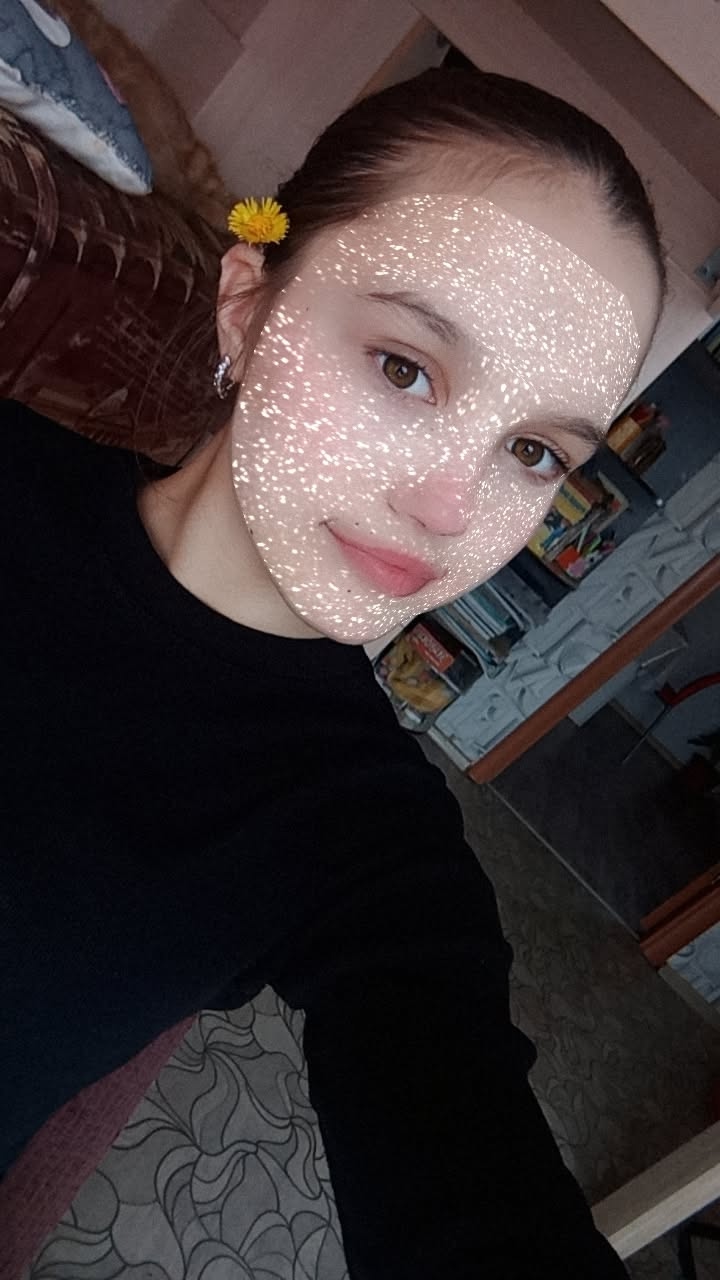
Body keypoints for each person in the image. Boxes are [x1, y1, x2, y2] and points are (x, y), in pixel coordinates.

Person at [1, 66, 665, 1275]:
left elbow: (464, 1163)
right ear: (246, 305)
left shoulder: (366, 842)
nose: (449, 506)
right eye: (407, 367)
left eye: (532, 450)